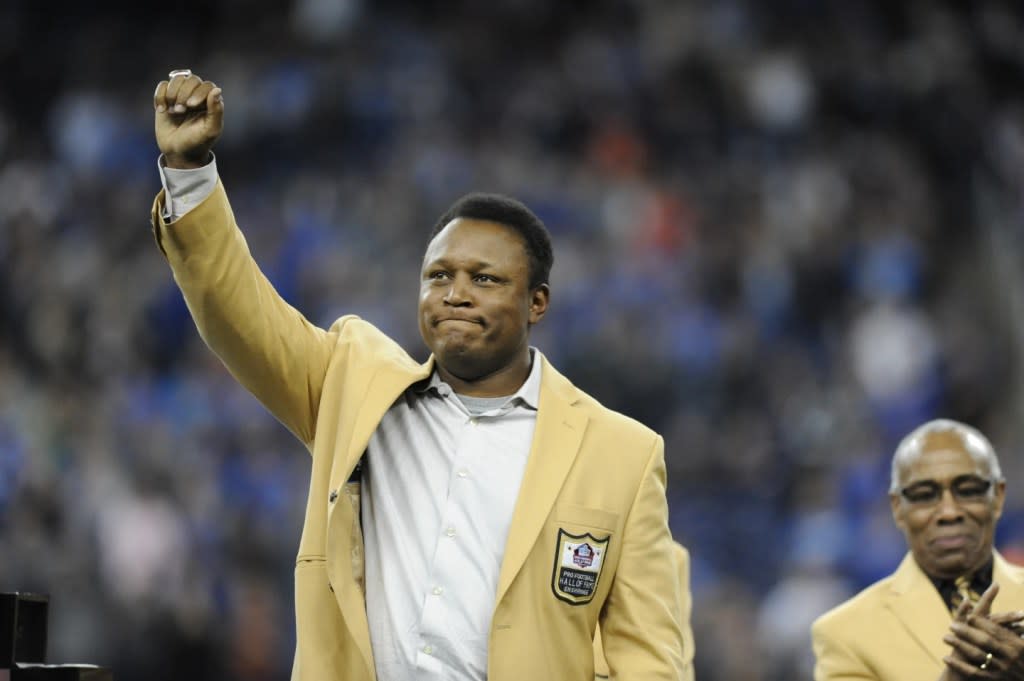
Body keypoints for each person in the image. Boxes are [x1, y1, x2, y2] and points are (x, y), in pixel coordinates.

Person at [149, 70, 693, 681]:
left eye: (484, 279)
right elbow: (237, 311)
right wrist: (191, 170)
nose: (455, 294)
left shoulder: (622, 454)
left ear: (537, 303)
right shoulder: (352, 387)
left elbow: (648, 661)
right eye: (439, 276)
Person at [812, 418, 1024, 681]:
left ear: (999, 497)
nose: (949, 512)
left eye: (968, 491)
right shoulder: (844, 633)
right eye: (925, 495)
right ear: (898, 508)